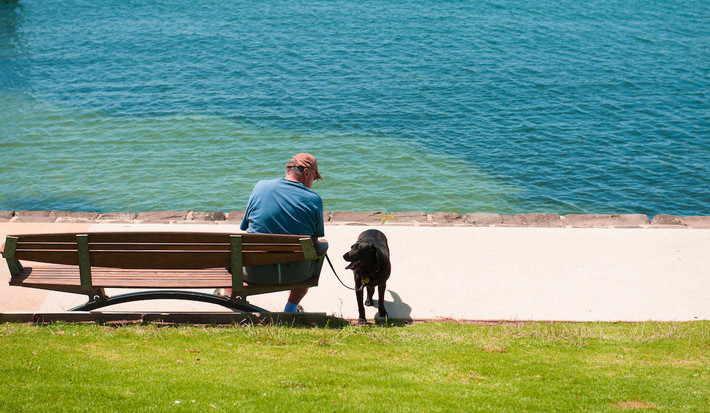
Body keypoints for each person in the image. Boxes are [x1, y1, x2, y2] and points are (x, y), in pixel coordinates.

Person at [219, 153, 328, 313]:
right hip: (297, 275)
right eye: (314, 178)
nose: (313, 183)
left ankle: (227, 292)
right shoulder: (314, 200)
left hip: (254, 273)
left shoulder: (261, 187)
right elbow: (314, 240)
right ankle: (291, 308)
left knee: (232, 254)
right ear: (306, 173)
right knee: (318, 249)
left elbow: (245, 227)